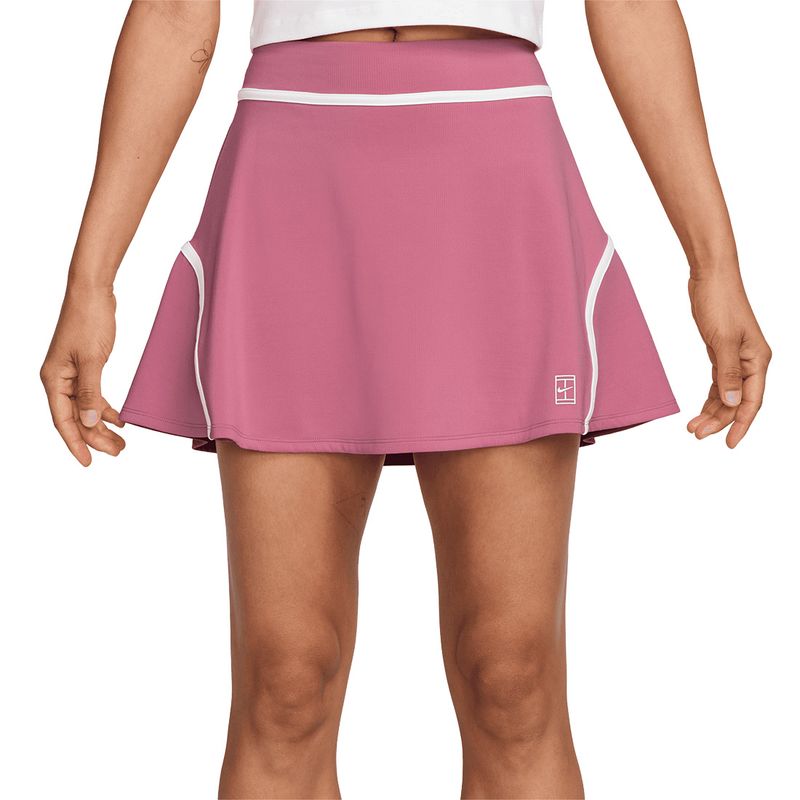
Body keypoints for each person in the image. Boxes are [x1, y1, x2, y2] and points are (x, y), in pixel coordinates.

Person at [39, 1, 771, 797]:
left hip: (492, 171)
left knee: (511, 677)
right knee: (287, 679)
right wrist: (90, 282)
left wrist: (714, 267)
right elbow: (178, 12)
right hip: (294, 171)